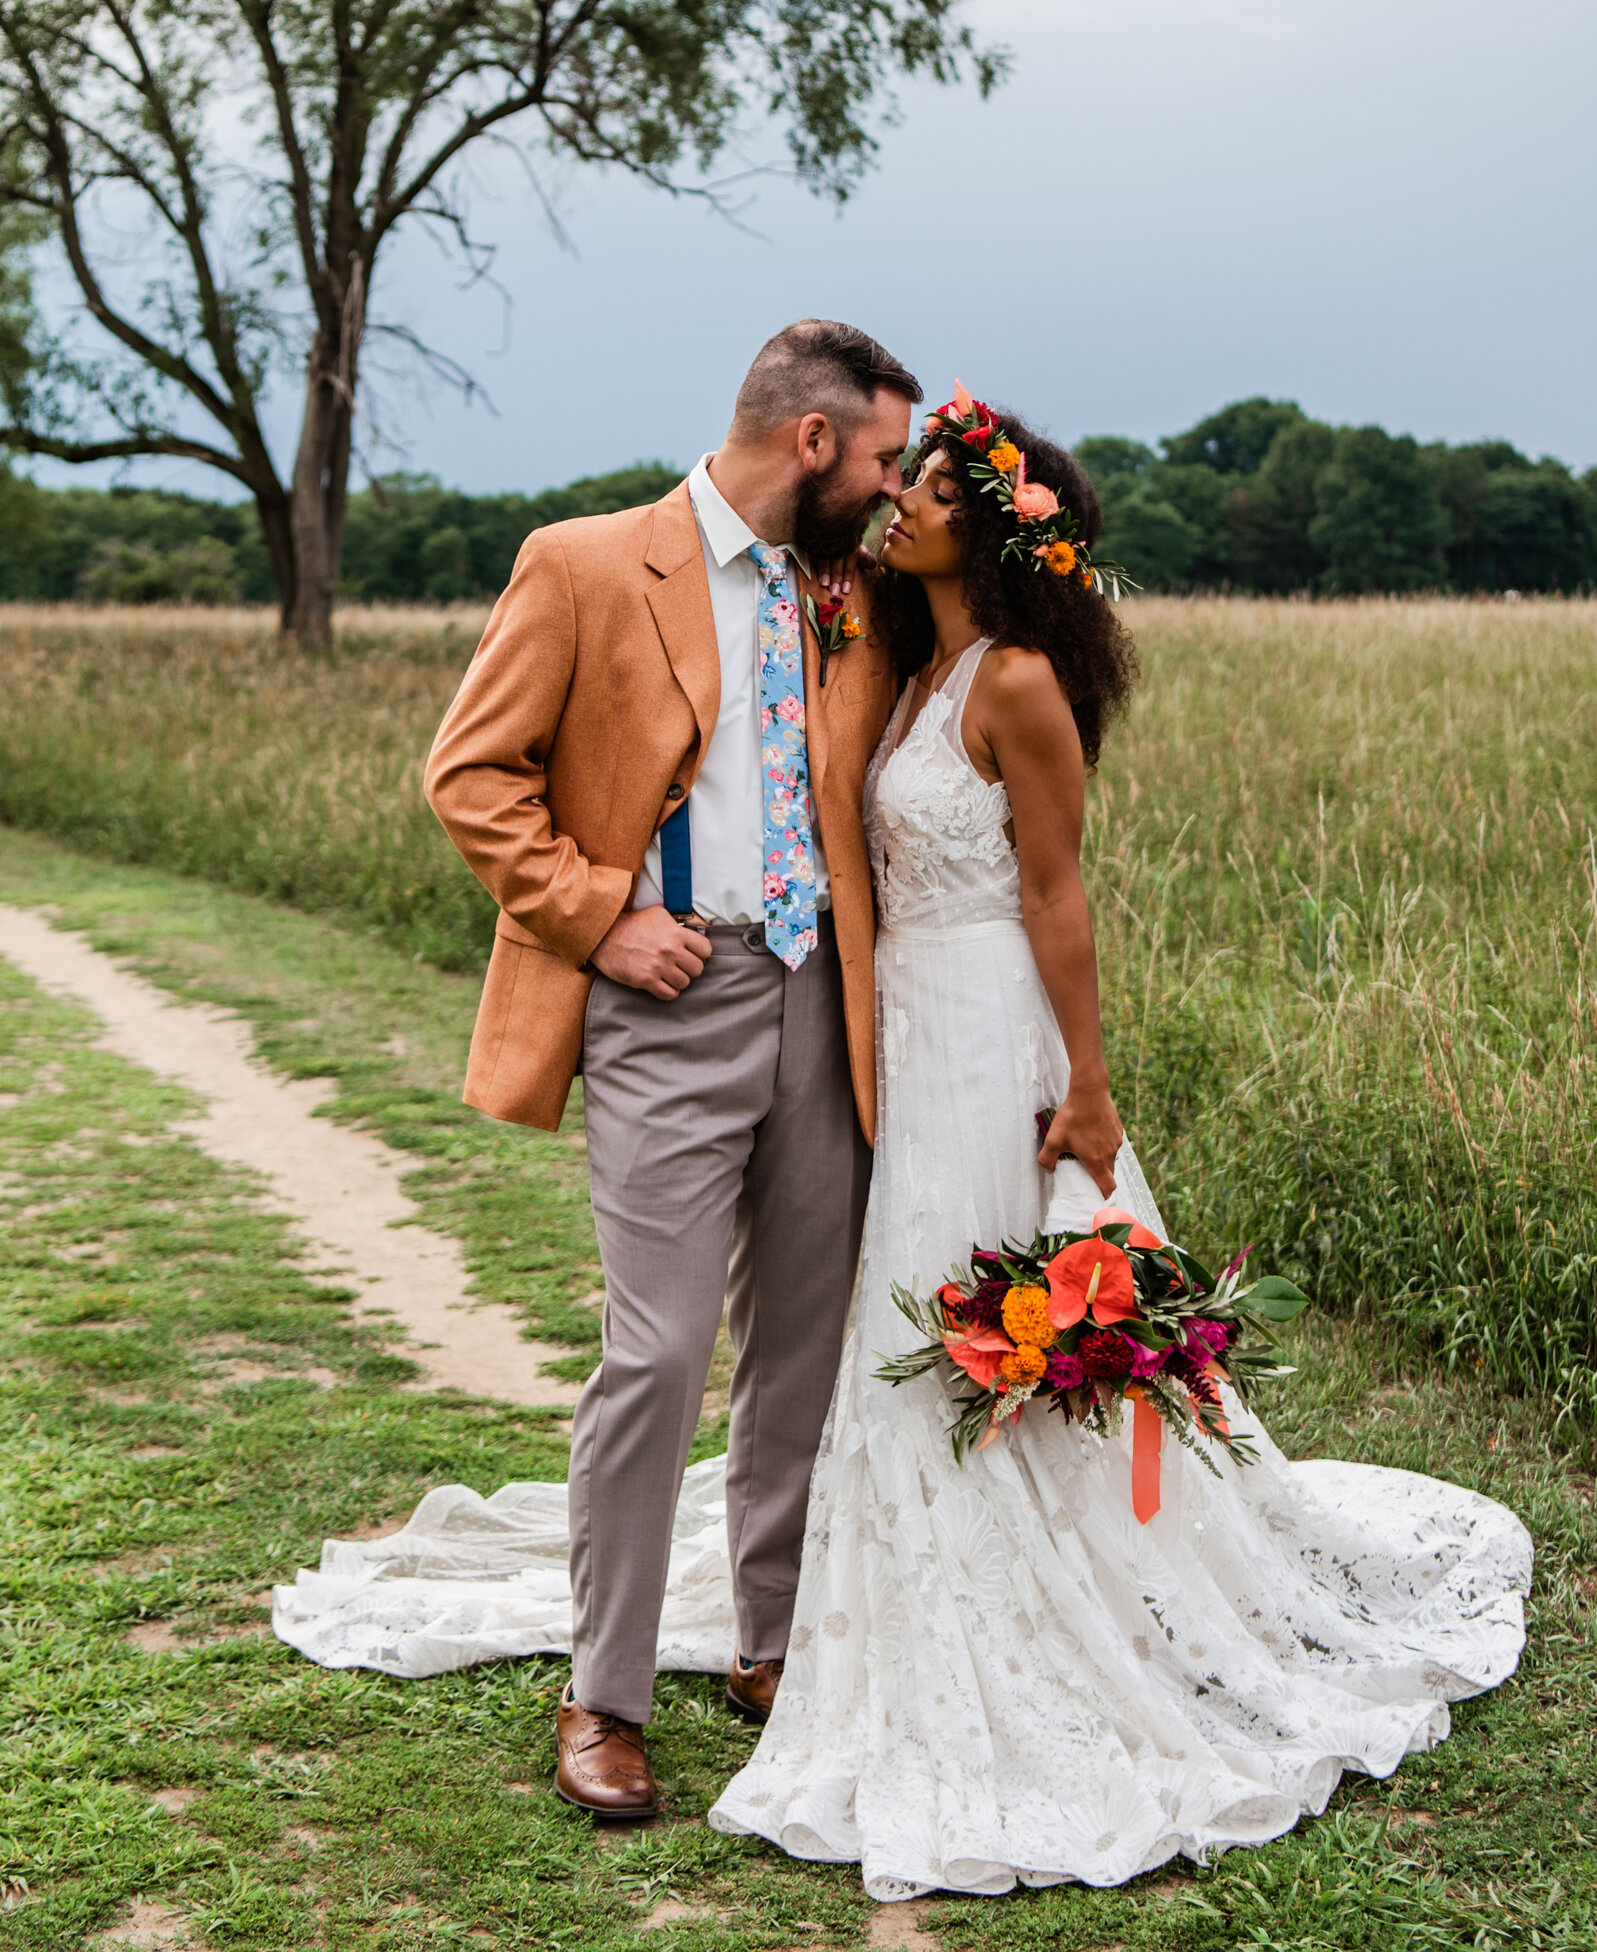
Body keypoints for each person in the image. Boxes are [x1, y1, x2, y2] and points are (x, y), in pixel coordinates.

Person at [706, 392, 1531, 1899]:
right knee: (902, 1306)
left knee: (980, 1295)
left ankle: (1072, 1590)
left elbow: (1055, 896)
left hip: (995, 1034)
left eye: (932, 489)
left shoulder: (1011, 680)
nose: (900, 502)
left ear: (998, 530)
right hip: (903, 1028)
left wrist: (1087, 1087)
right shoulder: (906, 661)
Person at [417, 320, 918, 1818]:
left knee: (798, 1356)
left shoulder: (858, 597)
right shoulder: (583, 563)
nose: (895, 491)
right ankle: (603, 1695)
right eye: (882, 457)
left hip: (829, 1012)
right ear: (811, 443)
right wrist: (598, 915)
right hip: (668, 1000)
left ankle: (770, 1645)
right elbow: (469, 772)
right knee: (655, 1353)